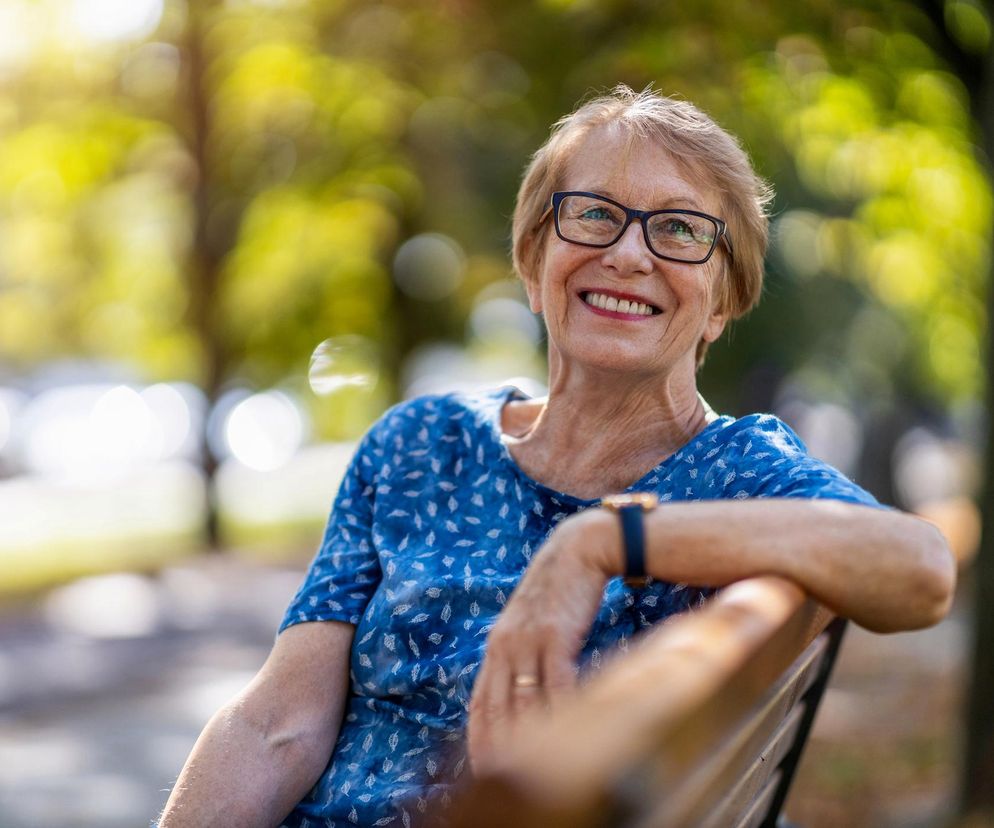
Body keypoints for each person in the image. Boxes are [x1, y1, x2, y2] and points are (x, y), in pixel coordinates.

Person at [157, 85, 955, 828]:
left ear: (722, 302)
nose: (630, 254)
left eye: (679, 229)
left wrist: (606, 542)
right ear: (533, 265)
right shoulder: (419, 445)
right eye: (593, 214)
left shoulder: (737, 473)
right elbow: (275, 726)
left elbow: (921, 567)